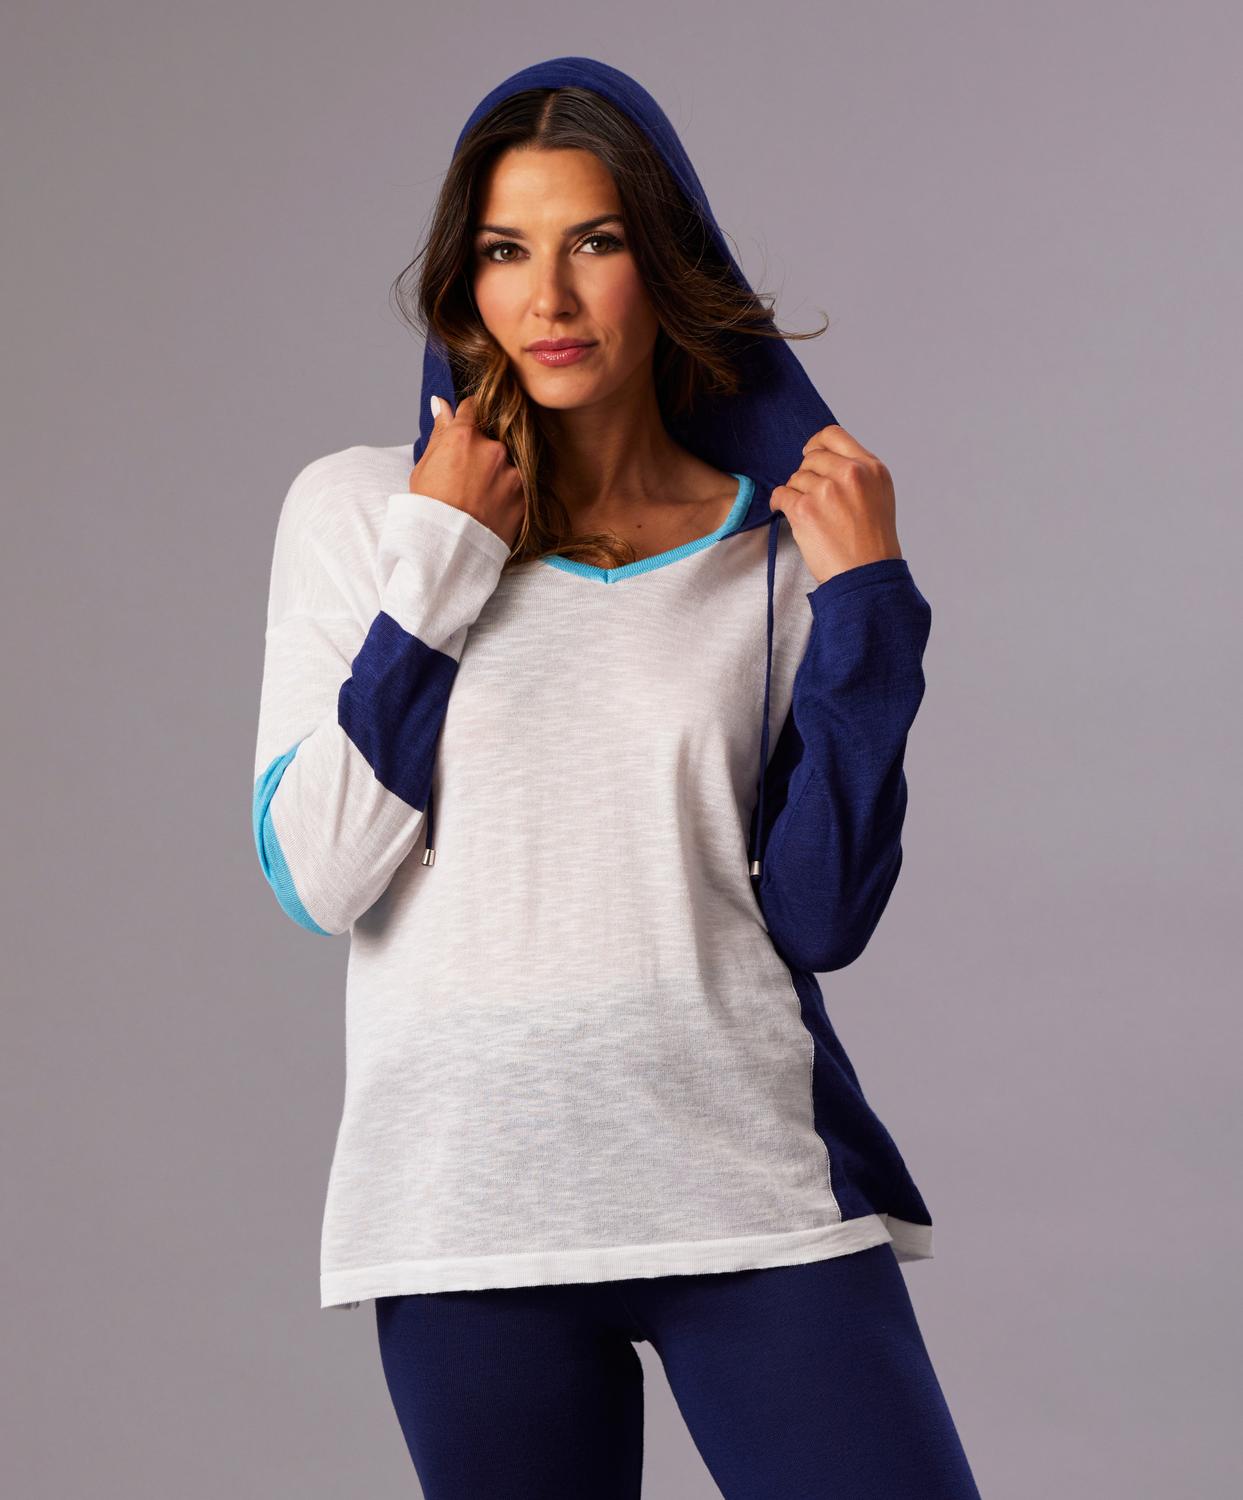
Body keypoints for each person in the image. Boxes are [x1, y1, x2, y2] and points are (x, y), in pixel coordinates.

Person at [251, 53, 982, 1500]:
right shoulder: (360, 514)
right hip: (465, 1209)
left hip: (744, 1177)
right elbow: (322, 875)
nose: (550, 297)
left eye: (594, 241)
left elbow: (822, 912)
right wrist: (441, 562)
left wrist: (868, 613)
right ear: (464, 282)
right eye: (504, 251)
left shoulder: (775, 553)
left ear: (666, 259)